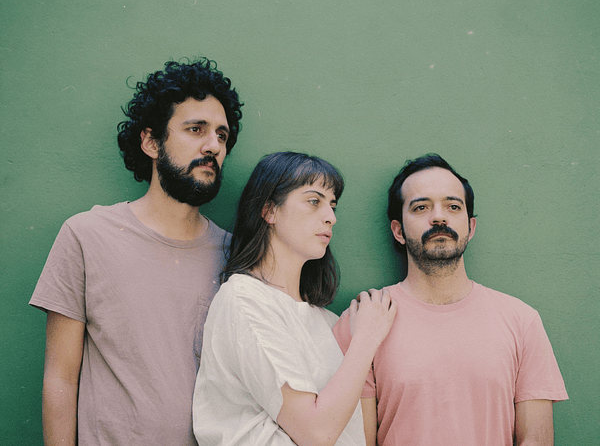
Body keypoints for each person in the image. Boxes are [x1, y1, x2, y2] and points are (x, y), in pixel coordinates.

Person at [29, 57, 243, 446]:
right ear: (150, 142)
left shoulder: (236, 256)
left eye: (222, 135)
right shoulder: (87, 236)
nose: (213, 145)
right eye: (195, 129)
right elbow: (60, 378)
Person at [333, 153, 568, 446]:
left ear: (471, 228)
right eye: (421, 207)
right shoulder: (363, 320)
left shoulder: (521, 321)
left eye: (453, 206)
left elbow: (536, 440)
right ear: (398, 231)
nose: (439, 217)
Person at [192, 151, 397, 446]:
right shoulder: (244, 299)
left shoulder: (327, 321)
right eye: (314, 201)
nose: (331, 217)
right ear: (269, 211)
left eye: (332, 205)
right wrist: (367, 338)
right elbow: (316, 433)